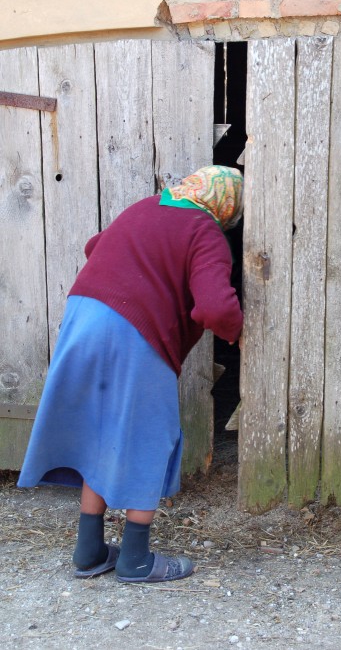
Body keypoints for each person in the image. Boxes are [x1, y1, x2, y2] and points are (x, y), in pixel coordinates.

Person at [18, 165, 244, 584]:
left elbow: (94, 247)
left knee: (98, 432)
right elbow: (216, 307)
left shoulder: (144, 207)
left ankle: (89, 552)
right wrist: (238, 333)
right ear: (225, 207)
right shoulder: (205, 231)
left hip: (83, 315)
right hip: (133, 329)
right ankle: (136, 560)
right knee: (148, 437)